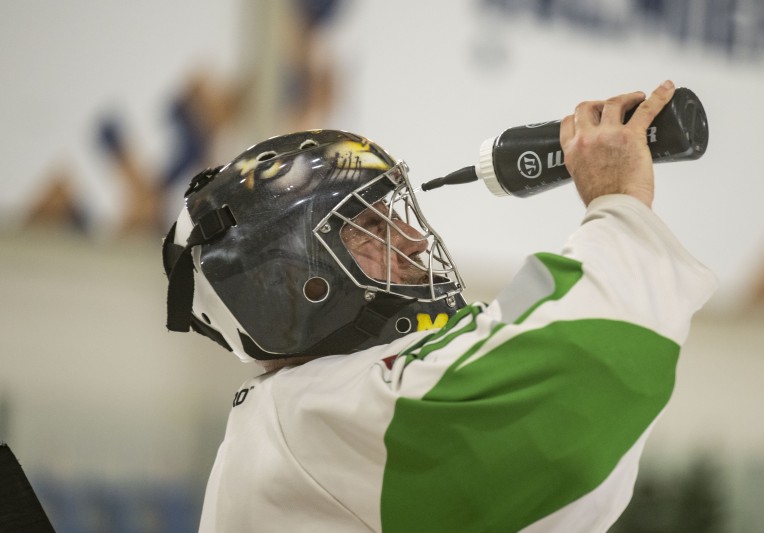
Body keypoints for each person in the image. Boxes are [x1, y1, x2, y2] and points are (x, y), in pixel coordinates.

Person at [162, 80, 717, 532]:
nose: (413, 240)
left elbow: (498, 332)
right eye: (371, 226)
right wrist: (618, 201)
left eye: (396, 215)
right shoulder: (310, 420)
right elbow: (587, 361)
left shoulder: (315, 407)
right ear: (297, 284)